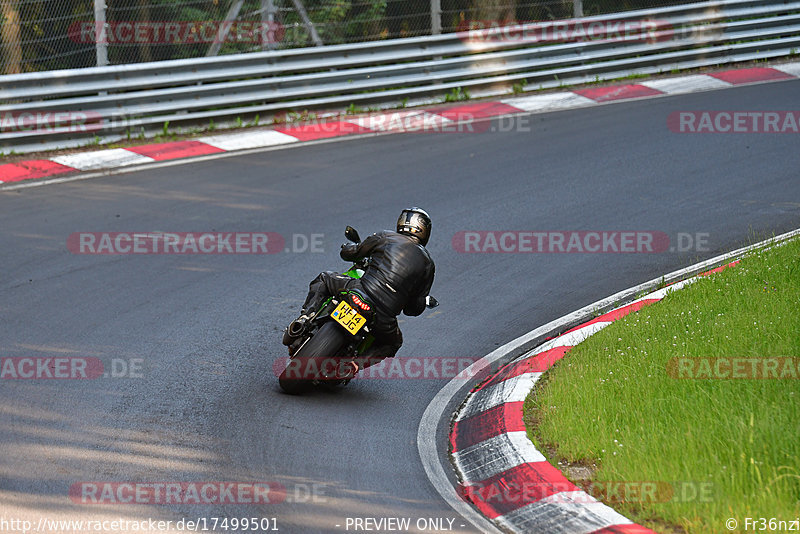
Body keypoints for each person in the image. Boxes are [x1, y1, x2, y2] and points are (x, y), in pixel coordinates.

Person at [284, 207, 435, 372]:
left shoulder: (386, 236)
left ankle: (304, 319)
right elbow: (414, 308)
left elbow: (353, 253)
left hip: (360, 290)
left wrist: (347, 247)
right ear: (425, 231)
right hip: (383, 317)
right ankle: (354, 365)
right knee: (393, 343)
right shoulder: (428, 264)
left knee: (324, 278)